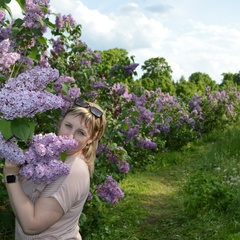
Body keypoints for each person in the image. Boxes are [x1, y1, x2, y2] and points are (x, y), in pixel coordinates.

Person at [3, 98, 107, 239]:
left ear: (91, 138)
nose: (70, 136)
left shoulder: (74, 170)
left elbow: (31, 225)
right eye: (68, 125)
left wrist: (11, 176)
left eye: (81, 132)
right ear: (60, 123)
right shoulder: (52, 154)